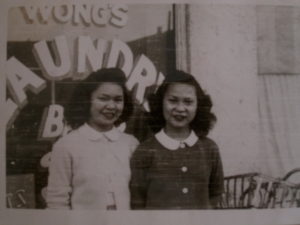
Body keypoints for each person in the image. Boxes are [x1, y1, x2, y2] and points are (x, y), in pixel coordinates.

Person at [130, 70, 224, 209]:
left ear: (199, 105)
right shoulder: (145, 150)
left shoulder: (209, 149)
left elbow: (216, 195)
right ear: (160, 102)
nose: (180, 108)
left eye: (188, 102)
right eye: (172, 100)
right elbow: (137, 203)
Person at [46, 68, 139, 210]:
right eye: (103, 98)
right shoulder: (66, 145)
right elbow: (57, 201)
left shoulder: (131, 143)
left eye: (118, 100)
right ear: (87, 100)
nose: (111, 106)